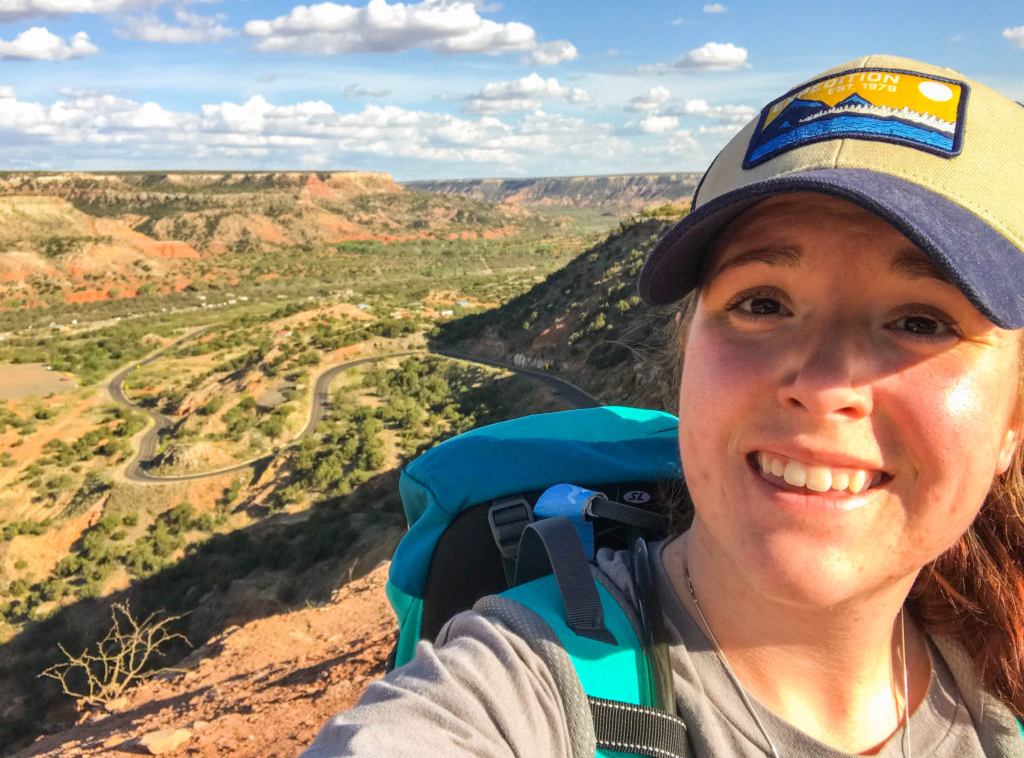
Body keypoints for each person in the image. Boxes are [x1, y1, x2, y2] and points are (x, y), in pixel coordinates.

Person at [301, 54, 1024, 757]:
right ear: (686, 349)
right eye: (762, 303)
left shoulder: (1001, 687)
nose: (826, 383)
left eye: (921, 320)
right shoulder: (517, 689)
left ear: (1013, 420)